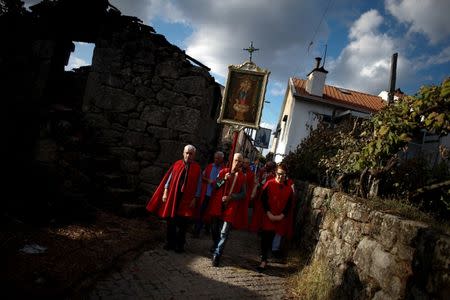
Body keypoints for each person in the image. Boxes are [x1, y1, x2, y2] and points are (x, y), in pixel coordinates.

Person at [146, 144, 202, 253]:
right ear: (183, 153)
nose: (188, 155)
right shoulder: (177, 164)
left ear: (194, 155)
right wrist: (165, 192)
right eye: (187, 153)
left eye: (191, 154)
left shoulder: (197, 168)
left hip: (187, 200)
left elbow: (199, 184)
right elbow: (169, 179)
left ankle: (180, 245)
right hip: (174, 197)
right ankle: (169, 243)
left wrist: (195, 198)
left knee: (183, 224)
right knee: (171, 221)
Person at [206, 153, 247, 267]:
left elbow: (243, 194)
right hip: (218, 204)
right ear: (231, 160)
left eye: (240, 161)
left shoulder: (242, 177)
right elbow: (216, 186)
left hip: (231, 206)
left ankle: (217, 255)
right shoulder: (224, 172)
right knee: (214, 229)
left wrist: (232, 197)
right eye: (236, 160)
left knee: (224, 232)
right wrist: (224, 179)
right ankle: (215, 244)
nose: (238, 163)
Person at [253, 163, 293, 272]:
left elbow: (289, 205)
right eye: (279, 174)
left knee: (273, 239)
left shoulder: (289, 189)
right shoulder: (269, 184)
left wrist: (281, 216)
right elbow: (264, 200)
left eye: (283, 174)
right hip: (268, 216)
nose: (281, 176)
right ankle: (264, 260)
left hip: (280, 218)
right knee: (266, 238)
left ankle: (266, 258)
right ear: (276, 173)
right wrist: (269, 214)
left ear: (286, 175)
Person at [193, 151, 224, 237]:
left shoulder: (224, 170)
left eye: (218, 158)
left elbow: (222, 183)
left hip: (215, 197)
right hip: (206, 194)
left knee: (212, 214)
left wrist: (214, 183)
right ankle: (196, 232)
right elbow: (202, 177)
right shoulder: (209, 167)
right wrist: (208, 180)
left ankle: (208, 230)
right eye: (215, 158)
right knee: (201, 213)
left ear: (222, 159)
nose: (216, 160)